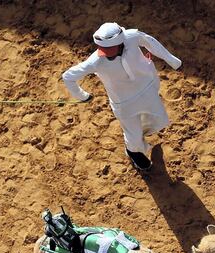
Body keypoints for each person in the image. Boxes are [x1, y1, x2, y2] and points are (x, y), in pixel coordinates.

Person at [62, 22, 182, 171]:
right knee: (133, 137)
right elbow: (68, 76)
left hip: (147, 89)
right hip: (124, 104)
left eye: (108, 49)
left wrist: (172, 61)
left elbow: (150, 42)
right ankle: (133, 152)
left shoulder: (131, 37)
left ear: (119, 44)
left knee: (160, 119)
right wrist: (82, 96)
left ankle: (139, 140)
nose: (102, 52)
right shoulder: (95, 61)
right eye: (101, 48)